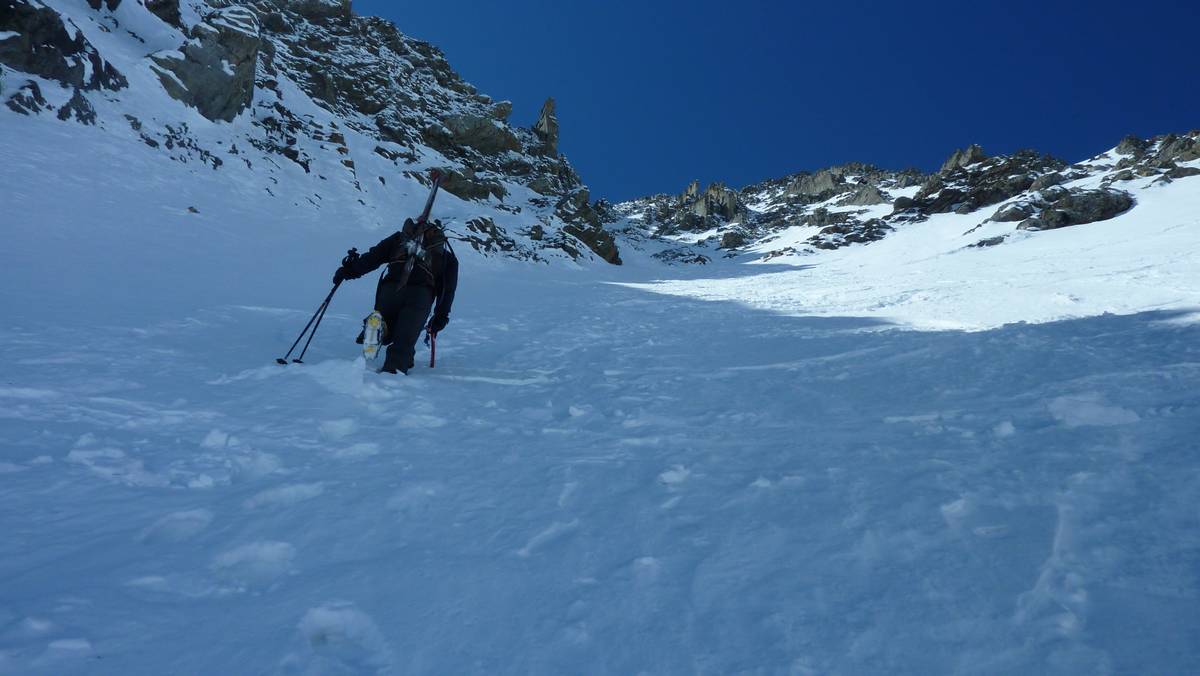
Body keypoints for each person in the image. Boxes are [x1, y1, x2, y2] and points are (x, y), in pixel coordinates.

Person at [333, 218, 459, 374]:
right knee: (405, 337)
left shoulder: (399, 240)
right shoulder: (446, 256)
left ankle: (378, 328)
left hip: (390, 290)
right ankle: (392, 374)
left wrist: (349, 271)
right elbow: (447, 290)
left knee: (388, 321)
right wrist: (440, 317)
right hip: (420, 295)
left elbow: (373, 257)